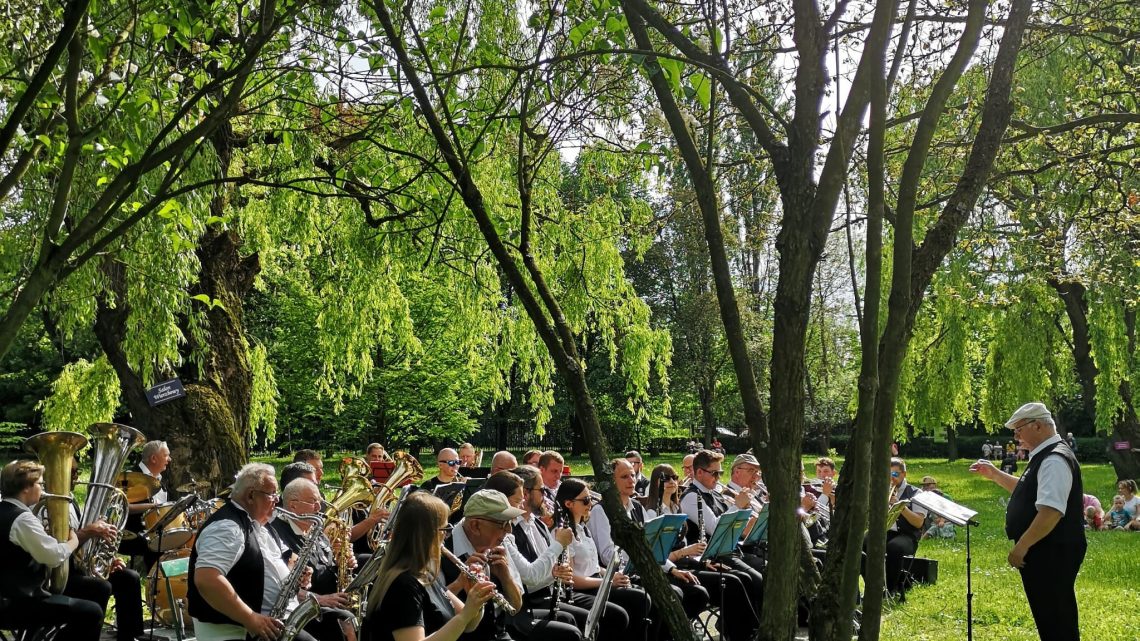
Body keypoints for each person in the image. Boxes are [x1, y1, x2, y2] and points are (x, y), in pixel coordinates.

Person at [969, 401, 1086, 641]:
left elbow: (1051, 511)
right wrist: (995, 475)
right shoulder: (1043, 455)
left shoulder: (1054, 459)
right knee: (1049, 616)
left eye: (1019, 428)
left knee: (1056, 618)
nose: (1016, 435)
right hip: (1046, 549)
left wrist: (1022, 546)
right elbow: (1027, 491)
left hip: (1051, 550)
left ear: (1038, 426)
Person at [188, 462, 314, 641]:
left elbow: (287, 557)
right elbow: (207, 579)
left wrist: (297, 570)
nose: (277, 500)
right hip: (238, 631)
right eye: (272, 494)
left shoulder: (260, 523)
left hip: (273, 621)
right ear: (250, 496)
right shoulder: (227, 527)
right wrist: (251, 618)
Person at [360, 491, 495, 641]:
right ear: (427, 535)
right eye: (444, 529)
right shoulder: (403, 585)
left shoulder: (426, 574)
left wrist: (477, 601)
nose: (445, 536)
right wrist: (465, 616)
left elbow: (469, 625)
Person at [644, 463, 758, 641]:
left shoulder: (675, 508)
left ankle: (746, 631)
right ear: (655, 483)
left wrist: (702, 561)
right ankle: (743, 634)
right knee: (729, 582)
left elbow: (685, 548)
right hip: (670, 567)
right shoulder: (652, 513)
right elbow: (659, 554)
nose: (672, 482)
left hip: (688, 562)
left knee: (736, 578)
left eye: (674, 477)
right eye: (665, 479)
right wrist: (686, 553)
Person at [0, 460, 105, 641]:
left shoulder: (5, 511)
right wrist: (74, 540)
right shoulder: (22, 519)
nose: (42, 488)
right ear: (26, 487)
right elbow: (53, 556)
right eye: (40, 484)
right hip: (19, 603)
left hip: (7, 598)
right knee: (91, 612)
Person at [482, 472, 583, 641]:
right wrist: (558, 545)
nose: (521, 504)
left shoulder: (533, 525)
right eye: (542, 490)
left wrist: (555, 573)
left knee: (574, 620)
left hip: (529, 601)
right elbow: (530, 578)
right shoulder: (507, 532)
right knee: (572, 630)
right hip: (515, 610)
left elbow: (537, 573)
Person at [556, 478, 648, 641]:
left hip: (597, 582)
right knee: (627, 609)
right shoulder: (563, 533)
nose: (590, 503)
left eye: (590, 498)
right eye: (585, 500)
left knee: (642, 597)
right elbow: (571, 580)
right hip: (582, 589)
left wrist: (612, 574)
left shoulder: (582, 528)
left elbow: (594, 567)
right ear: (569, 503)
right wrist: (607, 580)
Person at [273, 478, 359, 641]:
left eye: (319, 501)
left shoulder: (314, 527)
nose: (320, 508)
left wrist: (342, 562)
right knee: (345, 621)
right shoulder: (277, 535)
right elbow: (281, 588)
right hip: (307, 611)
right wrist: (321, 600)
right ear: (293, 505)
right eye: (313, 502)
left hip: (331, 601)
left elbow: (326, 563)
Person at [440, 489, 525, 641]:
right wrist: (459, 583)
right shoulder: (442, 550)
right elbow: (430, 610)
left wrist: (505, 577)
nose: (509, 530)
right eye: (503, 524)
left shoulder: (499, 543)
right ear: (475, 526)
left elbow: (515, 607)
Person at [864, 458, 926, 598]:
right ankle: (872, 586)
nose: (891, 478)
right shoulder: (880, 490)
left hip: (907, 535)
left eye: (895, 474)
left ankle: (890, 589)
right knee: (863, 543)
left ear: (904, 474)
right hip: (884, 531)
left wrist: (900, 506)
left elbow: (918, 522)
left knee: (894, 548)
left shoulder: (916, 494)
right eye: (888, 474)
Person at [120, 439, 172, 568]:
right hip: (129, 533)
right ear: (154, 458)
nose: (169, 459)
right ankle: (155, 583)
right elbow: (123, 507)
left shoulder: (161, 481)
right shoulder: (129, 477)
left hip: (152, 533)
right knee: (158, 545)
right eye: (166, 455)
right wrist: (154, 507)